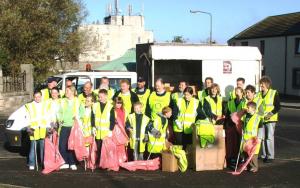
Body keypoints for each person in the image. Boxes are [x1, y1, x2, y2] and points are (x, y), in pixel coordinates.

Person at [258, 76, 280, 163]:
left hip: (271, 119)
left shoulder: (273, 93)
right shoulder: (259, 94)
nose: (261, 86)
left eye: (262, 84)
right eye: (260, 84)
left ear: (267, 84)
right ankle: (263, 155)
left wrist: (269, 115)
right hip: (261, 119)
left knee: (269, 138)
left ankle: (270, 156)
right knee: (262, 138)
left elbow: (278, 106)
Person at [57, 86, 80, 170]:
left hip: (73, 126)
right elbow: (59, 112)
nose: (66, 92)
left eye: (67, 91)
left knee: (71, 145)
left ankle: (72, 162)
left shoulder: (77, 101)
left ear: (72, 92)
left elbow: (82, 112)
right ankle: (65, 162)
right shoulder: (62, 101)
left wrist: (77, 118)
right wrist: (59, 119)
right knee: (62, 145)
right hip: (64, 126)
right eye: (66, 91)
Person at [25, 90, 48, 170]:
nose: (37, 98)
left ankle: (43, 163)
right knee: (33, 147)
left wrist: (48, 127)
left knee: (43, 148)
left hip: (42, 129)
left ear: (41, 97)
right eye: (35, 97)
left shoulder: (45, 105)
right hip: (33, 129)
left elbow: (47, 117)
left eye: (39, 96)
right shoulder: (29, 106)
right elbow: (27, 117)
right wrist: (28, 128)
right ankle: (32, 163)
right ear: (33, 97)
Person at [92, 89, 115, 165]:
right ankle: (98, 163)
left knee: (106, 149)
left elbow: (112, 120)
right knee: (98, 149)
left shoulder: (110, 106)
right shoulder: (95, 105)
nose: (99, 98)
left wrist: (110, 130)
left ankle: (106, 163)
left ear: (106, 96)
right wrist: (93, 127)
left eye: (101, 97)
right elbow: (93, 117)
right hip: (98, 132)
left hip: (106, 133)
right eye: (99, 97)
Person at [241, 101, 262, 173]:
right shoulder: (246, 115)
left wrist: (259, 137)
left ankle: (254, 167)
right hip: (246, 137)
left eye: (248, 107)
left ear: (253, 108)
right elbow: (244, 125)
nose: (247, 108)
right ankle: (247, 166)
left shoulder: (258, 117)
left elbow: (260, 127)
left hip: (253, 138)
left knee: (253, 154)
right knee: (245, 152)